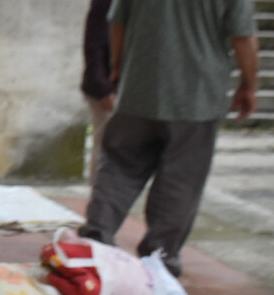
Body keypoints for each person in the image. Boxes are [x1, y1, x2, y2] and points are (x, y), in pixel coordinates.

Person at [77, 0, 259, 277]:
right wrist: (249, 85)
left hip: (138, 91)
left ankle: (96, 235)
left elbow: (117, 22)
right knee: (181, 181)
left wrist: (118, 66)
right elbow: (244, 37)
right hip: (196, 100)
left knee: (119, 166)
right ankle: (159, 259)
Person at [81, 0, 114, 186]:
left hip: (129, 88)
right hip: (107, 90)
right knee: (106, 149)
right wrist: (103, 89)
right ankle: (99, 197)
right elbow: (94, 45)